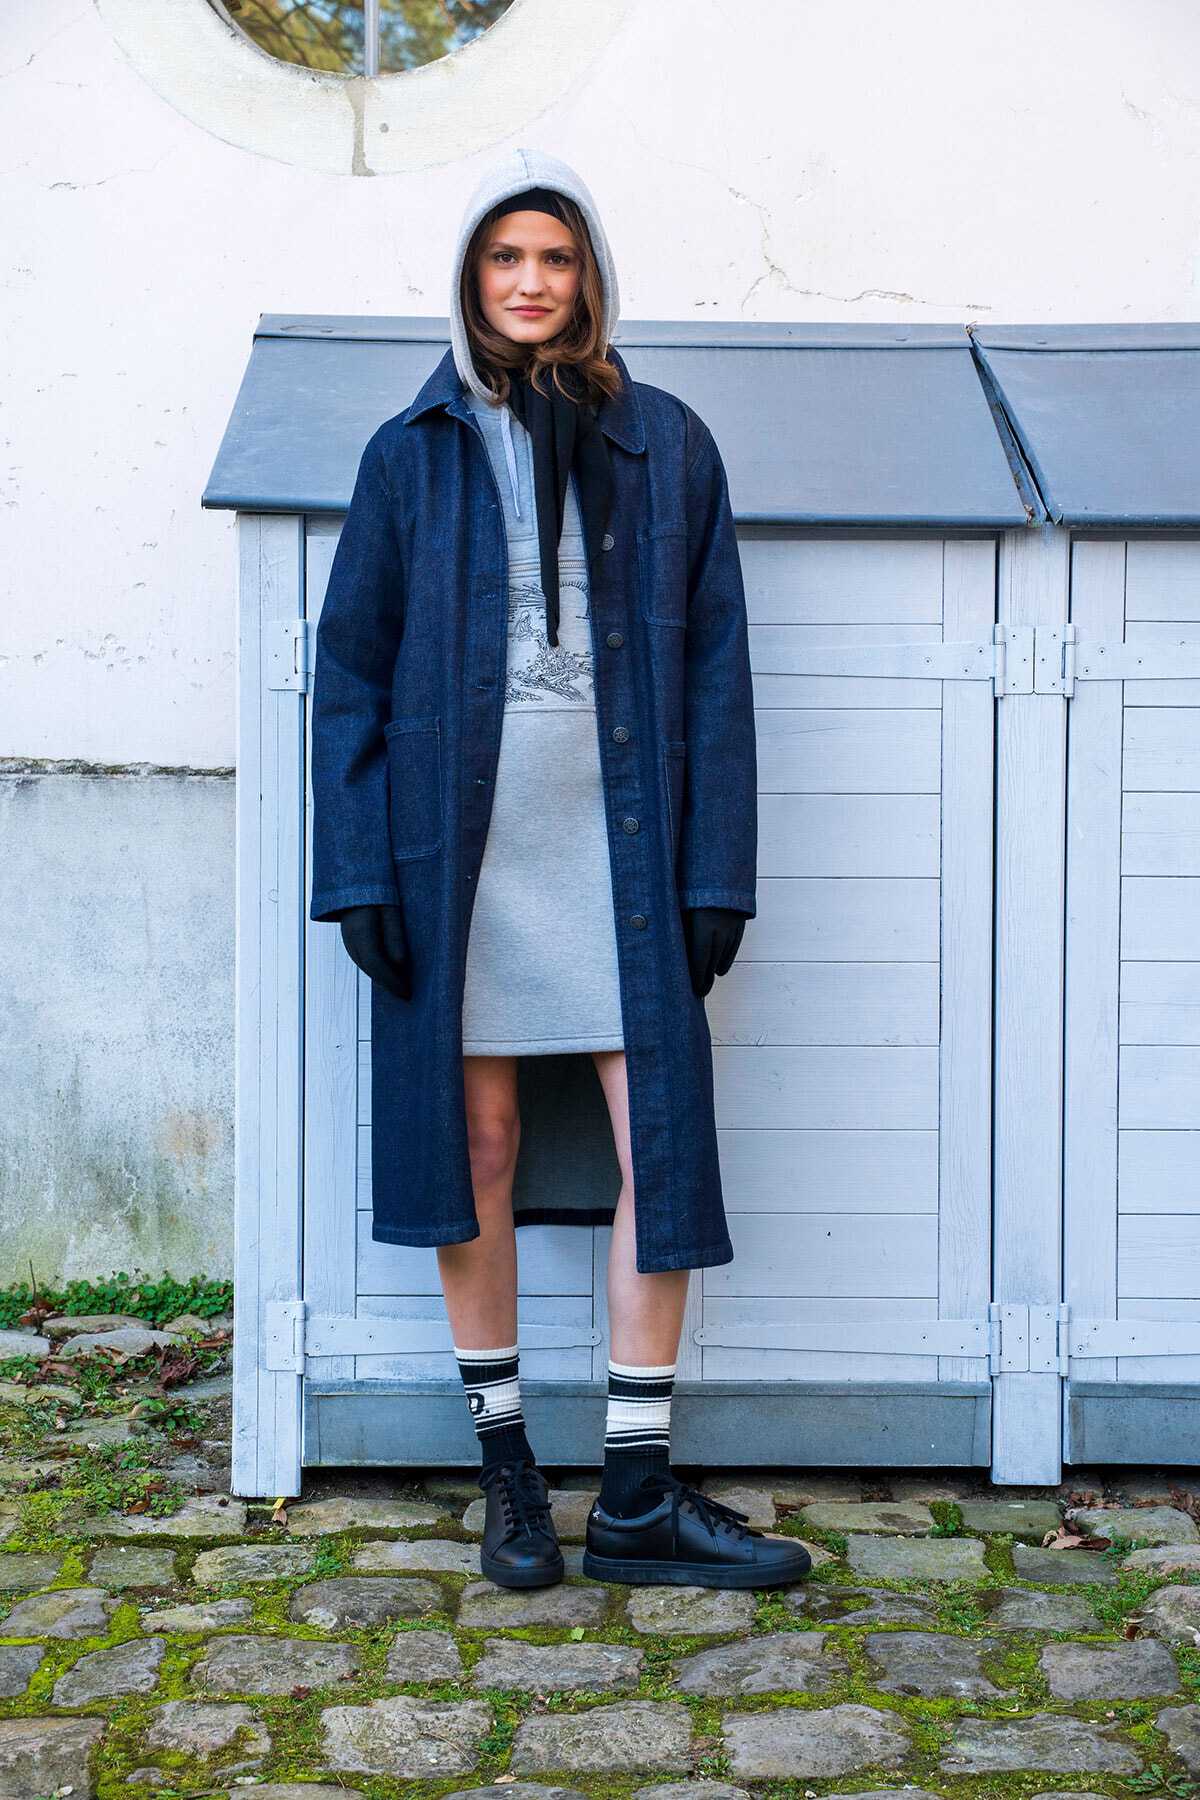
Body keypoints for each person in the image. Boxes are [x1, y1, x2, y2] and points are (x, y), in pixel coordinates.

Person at [309, 148, 809, 1594]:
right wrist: (360, 878)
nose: (531, 282)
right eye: (504, 259)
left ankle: (640, 1495)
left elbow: (718, 672)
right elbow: (347, 675)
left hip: (625, 851)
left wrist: (721, 871)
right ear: (471, 278)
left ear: (588, 280)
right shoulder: (408, 456)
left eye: (557, 259)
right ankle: (512, 1471)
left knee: (658, 1146)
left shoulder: (668, 442)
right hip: (457, 857)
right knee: (473, 1157)